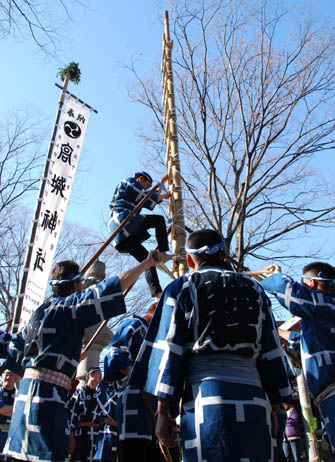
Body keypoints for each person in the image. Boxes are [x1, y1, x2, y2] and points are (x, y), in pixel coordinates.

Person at [129, 229, 293, 462]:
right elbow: (272, 349)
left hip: (206, 401)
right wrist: (276, 404)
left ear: (189, 260)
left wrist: (163, 412)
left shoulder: (182, 287)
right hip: (256, 400)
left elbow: (169, 350)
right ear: (224, 254)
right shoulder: (255, 289)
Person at [4, 251, 163, 462]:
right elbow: (113, 287)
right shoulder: (68, 307)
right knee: (46, 454)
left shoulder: (40, 312)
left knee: (19, 455)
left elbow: (15, 346)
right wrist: (147, 263)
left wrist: (67, 358)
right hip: (48, 397)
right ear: (77, 285)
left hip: (24, 396)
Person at [260, 261, 335, 452]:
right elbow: (309, 344)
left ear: (310, 283)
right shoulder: (324, 314)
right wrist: (280, 333)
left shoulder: (323, 303)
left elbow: (292, 295)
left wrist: (276, 276)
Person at [104, 303, 164, 462]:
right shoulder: (135, 325)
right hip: (134, 399)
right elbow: (115, 352)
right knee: (134, 451)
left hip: (151, 402)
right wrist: (133, 374)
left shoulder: (155, 338)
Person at [108, 171, 171, 298]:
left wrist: (163, 190)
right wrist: (162, 184)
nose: (146, 188)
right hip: (123, 219)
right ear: (140, 179)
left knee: (148, 261)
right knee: (158, 220)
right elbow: (147, 196)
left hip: (121, 237)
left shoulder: (133, 193)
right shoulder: (128, 181)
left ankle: (157, 294)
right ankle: (163, 252)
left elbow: (150, 198)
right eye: (146, 185)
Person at [69, 367, 103, 462]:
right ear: (91, 375)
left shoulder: (101, 395)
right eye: (99, 373)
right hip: (79, 435)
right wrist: (71, 436)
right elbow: (72, 414)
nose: (101, 376)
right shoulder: (79, 393)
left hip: (95, 436)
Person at [0, 370, 17, 461]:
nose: (8, 377)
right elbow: (1, 409)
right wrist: (16, 408)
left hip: (14, 437)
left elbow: (22, 412)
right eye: (6, 375)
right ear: (1, 378)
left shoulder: (19, 394)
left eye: (11, 375)